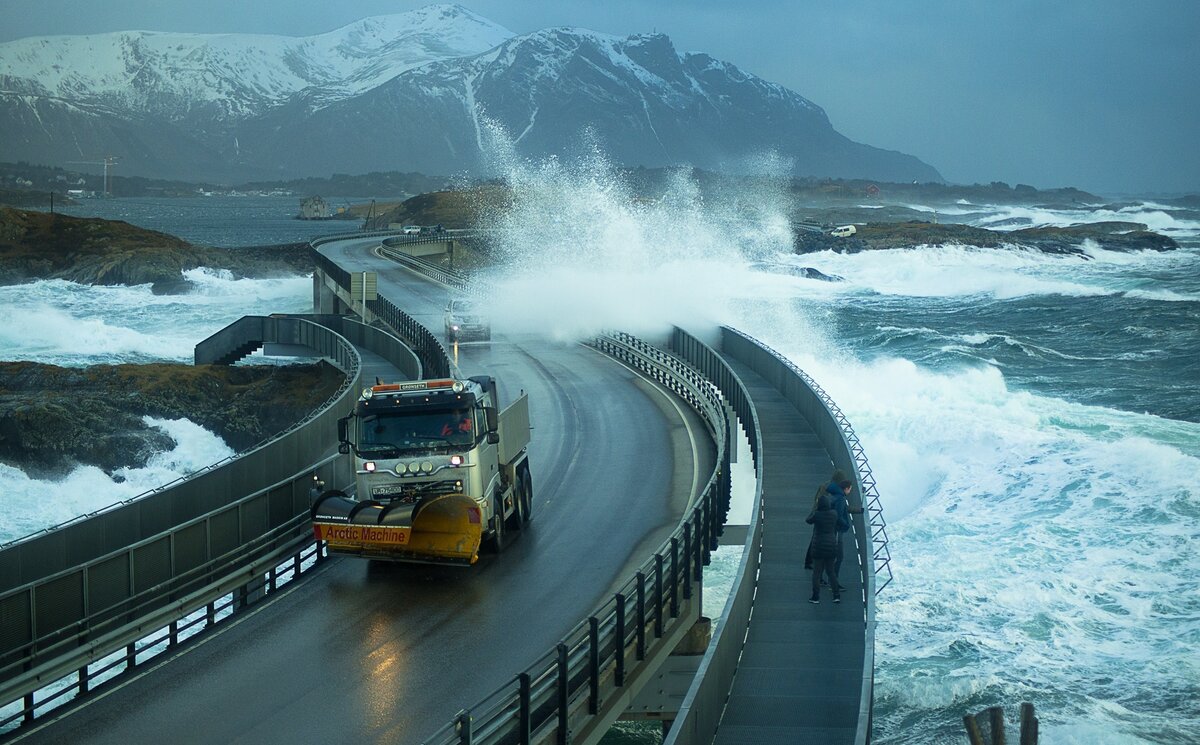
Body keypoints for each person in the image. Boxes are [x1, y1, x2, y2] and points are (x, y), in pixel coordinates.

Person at [806, 493, 848, 603]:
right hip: (831, 547)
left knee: (816, 573)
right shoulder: (833, 514)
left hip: (818, 547)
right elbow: (840, 522)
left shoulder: (817, 515)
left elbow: (808, 520)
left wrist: (814, 508)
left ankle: (815, 597)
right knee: (831, 572)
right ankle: (836, 595)